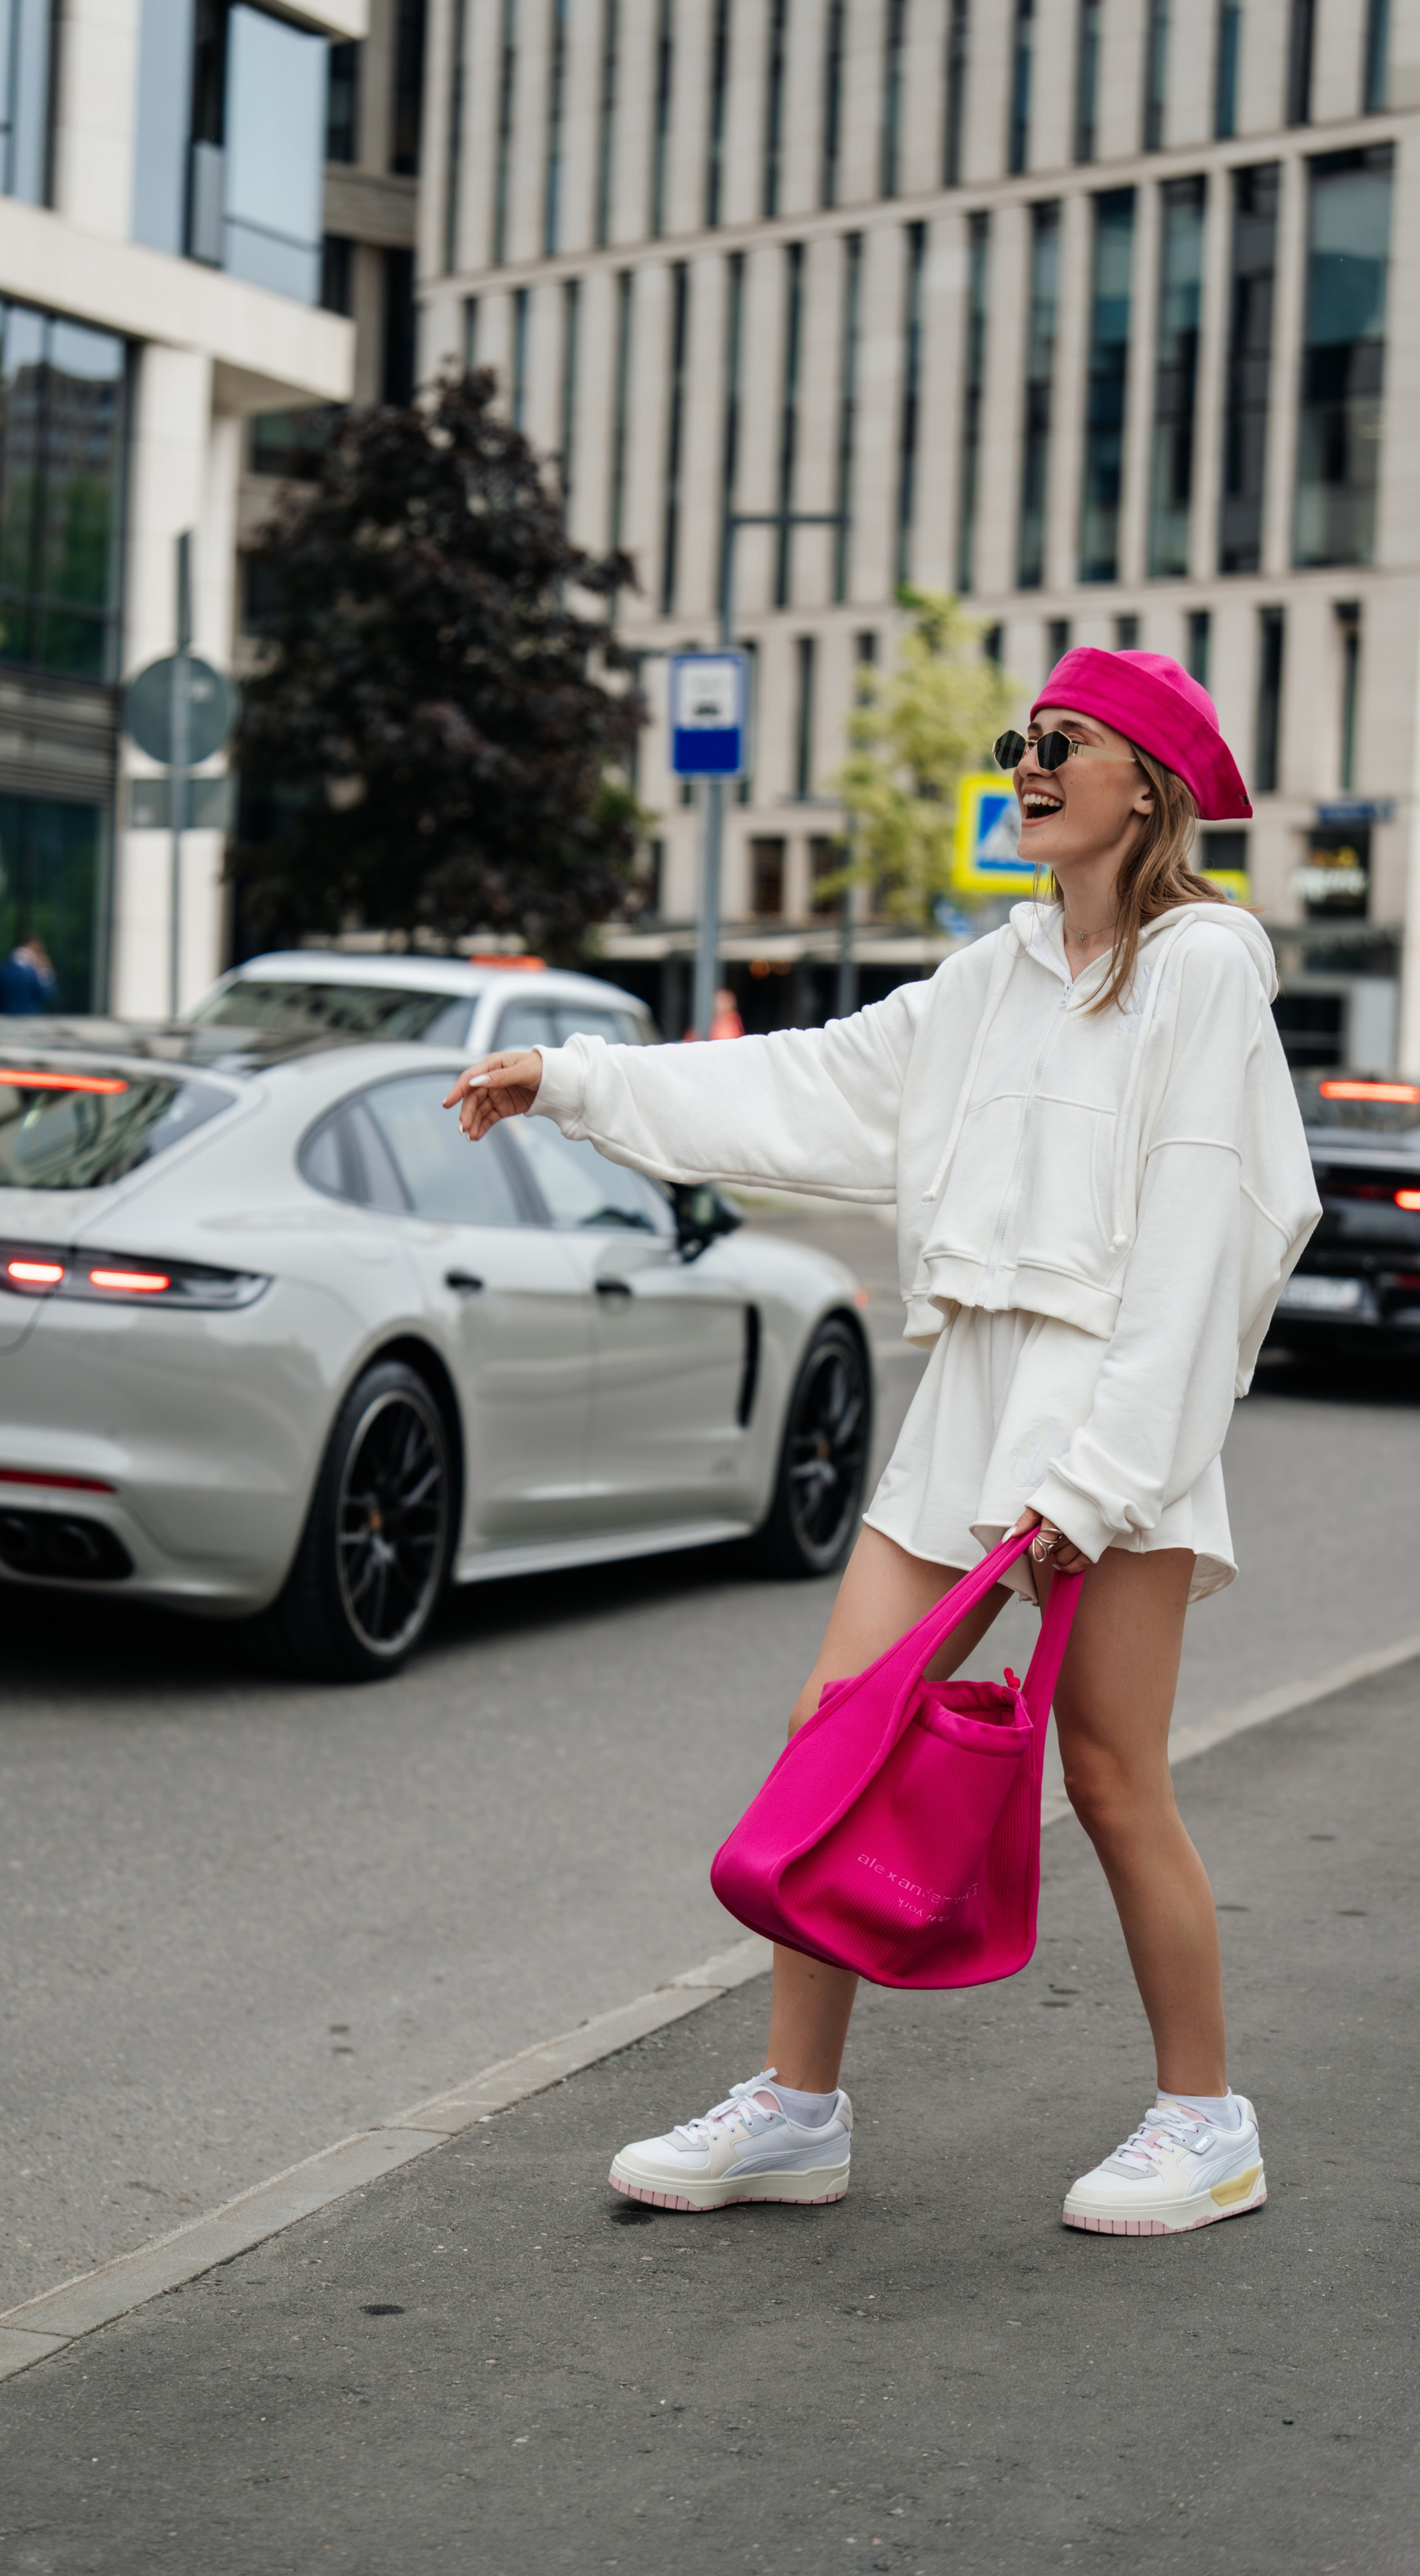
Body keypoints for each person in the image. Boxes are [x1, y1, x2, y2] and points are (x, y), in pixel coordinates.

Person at [445, 650, 1319, 2237]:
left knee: (1110, 1771)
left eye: (1062, 743)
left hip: (1113, 1410)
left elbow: (1214, 1235)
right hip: (971, 1390)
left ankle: (1205, 2120)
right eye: (1020, 741)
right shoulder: (989, 980)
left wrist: (1093, 1482)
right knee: (832, 1723)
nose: (1027, 763)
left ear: (1147, 783)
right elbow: (804, 1083)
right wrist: (571, 1078)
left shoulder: (1200, 969)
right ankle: (794, 2107)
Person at [0, 932, 58, 1015]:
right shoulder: (33, 972)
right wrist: (46, 970)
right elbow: (47, 996)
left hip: (3, 1021)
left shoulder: (0, 969)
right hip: (28, 1022)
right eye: (38, 950)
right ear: (31, 946)